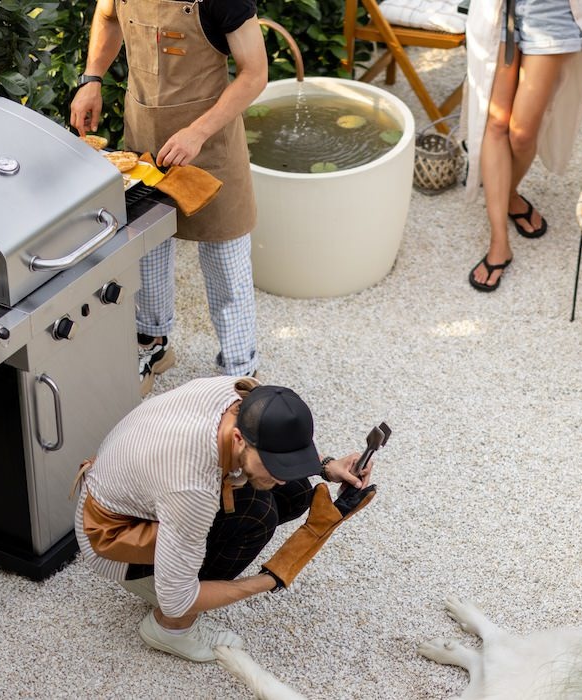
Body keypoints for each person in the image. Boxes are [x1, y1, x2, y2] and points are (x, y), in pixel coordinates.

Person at [71, 376, 378, 662]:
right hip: (113, 538)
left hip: (134, 485)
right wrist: (271, 578)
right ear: (238, 437)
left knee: (294, 492)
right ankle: (169, 629)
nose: (281, 476)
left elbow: (276, 455)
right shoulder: (191, 488)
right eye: (274, 465)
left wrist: (325, 466)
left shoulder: (243, 393)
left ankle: (185, 572)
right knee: (257, 519)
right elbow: (177, 598)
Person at [69, 0, 265, 394]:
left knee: (226, 265)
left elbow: (255, 74)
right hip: (143, 138)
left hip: (211, 149)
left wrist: (198, 131)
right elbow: (107, 16)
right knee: (147, 251)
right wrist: (92, 78)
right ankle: (153, 345)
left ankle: (240, 375)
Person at [463, 0, 582, 292]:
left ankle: (507, 193)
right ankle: (499, 242)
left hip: (552, 11)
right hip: (496, 8)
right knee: (496, 122)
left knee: (521, 133)